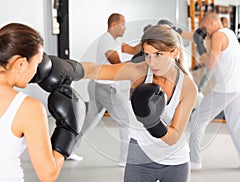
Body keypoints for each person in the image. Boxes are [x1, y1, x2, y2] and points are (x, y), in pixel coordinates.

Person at [81, 24, 197, 182]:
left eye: (158, 54)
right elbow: (96, 70)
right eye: (147, 55)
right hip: (139, 158)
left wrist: (151, 121)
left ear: (174, 52)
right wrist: (66, 68)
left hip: (175, 162)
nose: (152, 62)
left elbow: (173, 137)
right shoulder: (138, 71)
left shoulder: (188, 88)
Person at [0, 23, 85, 181]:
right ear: (21, 64)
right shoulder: (28, 108)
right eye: (37, 63)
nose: (38, 71)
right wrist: (69, 130)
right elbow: (48, 174)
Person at [69, 13, 141, 165]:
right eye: (123, 24)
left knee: (89, 121)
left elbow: (134, 50)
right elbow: (116, 64)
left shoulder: (114, 41)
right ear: (114, 25)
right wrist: (135, 64)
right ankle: (125, 159)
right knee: (126, 120)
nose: (125, 28)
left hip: (99, 85)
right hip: (105, 87)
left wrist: (147, 39)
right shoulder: (107, 40)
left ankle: (67, 149)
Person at [189, 12, 240, 171]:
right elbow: (196, 36)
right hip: (238, 87)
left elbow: (211, 64)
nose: (204, 31)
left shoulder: (218, 36)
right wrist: (179, 33)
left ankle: (194, 162)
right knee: (236, 128)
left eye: (204, 27)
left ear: (212, 22)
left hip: (225, 90)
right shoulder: (229, 33)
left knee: (197, 119)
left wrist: (200, 47)